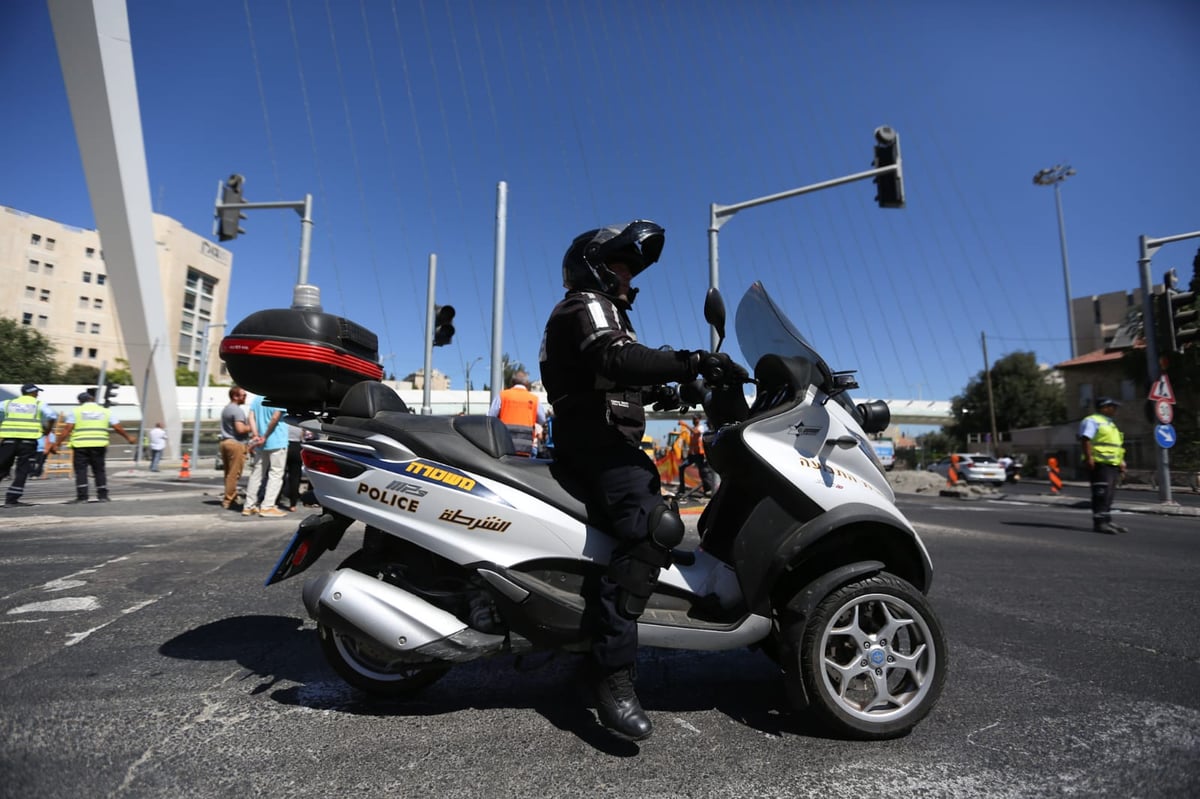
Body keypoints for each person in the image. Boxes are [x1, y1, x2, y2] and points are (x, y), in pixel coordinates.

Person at [539, 219, 744, 740]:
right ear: (593, 267)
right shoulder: (587, 305)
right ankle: (612, 672)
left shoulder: (594, 312)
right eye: (621, 267)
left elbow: (607, 380)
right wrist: (687, 360)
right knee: (655, 529)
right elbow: (615, 357)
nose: (629, 280)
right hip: (599, 452)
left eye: (631, 270)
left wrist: (672, 393)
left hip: (599, 444)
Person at [49, 391, 136, 503]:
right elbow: (117, 427)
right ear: (93, 399)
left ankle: (82, 496)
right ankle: (103, 496)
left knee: (81, 471)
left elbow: (67, 429)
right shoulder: (105, 411)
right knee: (99, 470)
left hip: (81, 445)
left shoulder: (76, 411)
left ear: (80, 402)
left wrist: (57, 444)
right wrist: (128, 437)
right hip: (99, 445)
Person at [0, 383, 58, 507]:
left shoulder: (8, 403)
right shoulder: (38, 404)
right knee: (22, 470)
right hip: (28, 442)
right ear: (33, 392)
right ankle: (12, 499)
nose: (38, 394)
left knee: (2, 468)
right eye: (37, 392)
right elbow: (52, 415)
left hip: (9, 441)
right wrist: (48, 429)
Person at [1079, 397, 1127, 534]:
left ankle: (1107, 520)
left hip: (1112, 464)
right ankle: (1099, 523)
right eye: (1113, 407)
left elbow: (1116, 446)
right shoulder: (1092, 420)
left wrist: (1121, 462)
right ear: (1104, 407)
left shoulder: (1110, 424)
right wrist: (1089, 458)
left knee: (1109, 494)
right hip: (1099, 463)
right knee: (1101, 493)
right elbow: (1085, 439)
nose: (1115, 410)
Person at [242, 395, 288, 518]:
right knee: (276, 473)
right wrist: (266, 436)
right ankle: (267, 506)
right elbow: (275, 417)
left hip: (260, 443)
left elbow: (251, 416)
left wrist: (256, 435)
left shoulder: (257, 399)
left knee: (256, 473)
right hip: (277, 440)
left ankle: (248, 505)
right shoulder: (279, 398)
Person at [488, 371, 547, 457]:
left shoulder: (503, 395)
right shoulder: (534, 399)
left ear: (512, 382)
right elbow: (542, 419)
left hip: (504, 445)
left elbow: (490, 417)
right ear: (527, 383)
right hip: (526, 447)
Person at [218, 386, 253, 510]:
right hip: (236, 443)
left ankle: (231, 496)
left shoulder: (226, 409)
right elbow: (240, 429)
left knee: (228, 473)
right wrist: (253, 426)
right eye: (243, 395)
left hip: (225, 442)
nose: (245, 397)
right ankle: (229, 500)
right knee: (234, 474)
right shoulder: (237, 411)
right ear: (235, 396)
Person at [678, 414, 714, 496]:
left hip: (699, 454)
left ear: (699, 420)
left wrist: (685, 424)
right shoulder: (693, 429)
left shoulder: (700, 428)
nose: (694, 421)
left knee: (703, 472)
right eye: (693, 419)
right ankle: (681, 489)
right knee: (681, 467)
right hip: (692, 455)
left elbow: (696, 433)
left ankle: (708, 489)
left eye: (695, 419)